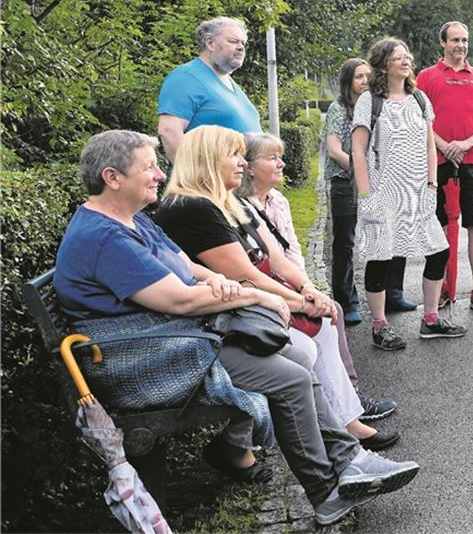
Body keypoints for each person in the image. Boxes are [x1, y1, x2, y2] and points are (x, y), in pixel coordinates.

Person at [53, 131, 419, 525]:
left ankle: (348, 461)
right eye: (150, 167)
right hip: (148, 358)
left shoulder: (129, 221)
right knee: (292, 377)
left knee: (296, 353)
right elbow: (179, 299)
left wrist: (219, 282)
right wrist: (252, 295)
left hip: (172, 339)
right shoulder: (107, 236)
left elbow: (187, 268)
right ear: (112, 177)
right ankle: (327, 491)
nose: (161, 174)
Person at [152, 126, 397, 451]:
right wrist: (300, 302)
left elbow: (276, 260)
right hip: (225, 317)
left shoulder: (229, 203)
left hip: (249, 305)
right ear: (208, 160)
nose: (243, 163)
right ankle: (330, 441)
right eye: (234, 155)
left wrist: (308, 289)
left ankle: (347, 422)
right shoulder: (192, 208)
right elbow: (246, 275)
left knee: (323, 322)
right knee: (303, 349)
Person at [238, 131, 398, 427]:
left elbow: (292, 252)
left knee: (331, 310)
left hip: (288, 284)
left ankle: (349, 397)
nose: (281, 164)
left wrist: (308, 286)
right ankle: (346, 404)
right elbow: (263, 266)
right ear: (248, 166)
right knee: (329, 315)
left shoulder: (278, 201)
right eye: (272, 158)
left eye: (281, 157)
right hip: (268, 294)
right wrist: (301, 295)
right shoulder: (242, 209)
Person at [352, 37, 460, 350]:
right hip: (383, 192)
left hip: (419, 192)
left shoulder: (420, 100)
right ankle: (380, 325)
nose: (406, 60)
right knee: (382, 255)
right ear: (383, 64)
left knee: (438, 251)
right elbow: (358, 152)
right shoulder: (369, 101)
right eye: (398, 57)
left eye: (407, 56)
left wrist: (431, 184)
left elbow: (430, 145)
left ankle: (430, 320)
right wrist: (366, 195)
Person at [415, 21, 473, 314]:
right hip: (437, 162)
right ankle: (440, 288)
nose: (461, 46)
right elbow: (418, 119)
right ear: (442, 43)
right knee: (440, 227)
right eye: (455, 40)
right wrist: (442, 144)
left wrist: (465, 144)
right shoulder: (426, 78)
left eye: (465, 40)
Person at [157, 17, 261, 161]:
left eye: (243, 43)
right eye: (233, 41)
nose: (241, 47)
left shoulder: (230, 83)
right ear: (210, 43)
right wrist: (196, 178)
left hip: (246, 181)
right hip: (211, 181)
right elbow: (169, 131)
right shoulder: (186, 77)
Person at [323, 58, 370, 325]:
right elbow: (333, 149)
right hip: (345, 183)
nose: (365, 81)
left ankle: (392, 294)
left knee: (381, 237)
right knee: (345, 244)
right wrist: (359, 169)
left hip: (374, 182)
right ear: (348, 82)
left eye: (368, 76)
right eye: (359, 77)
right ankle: (346, 301)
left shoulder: (377, 107)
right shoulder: (339, 108)